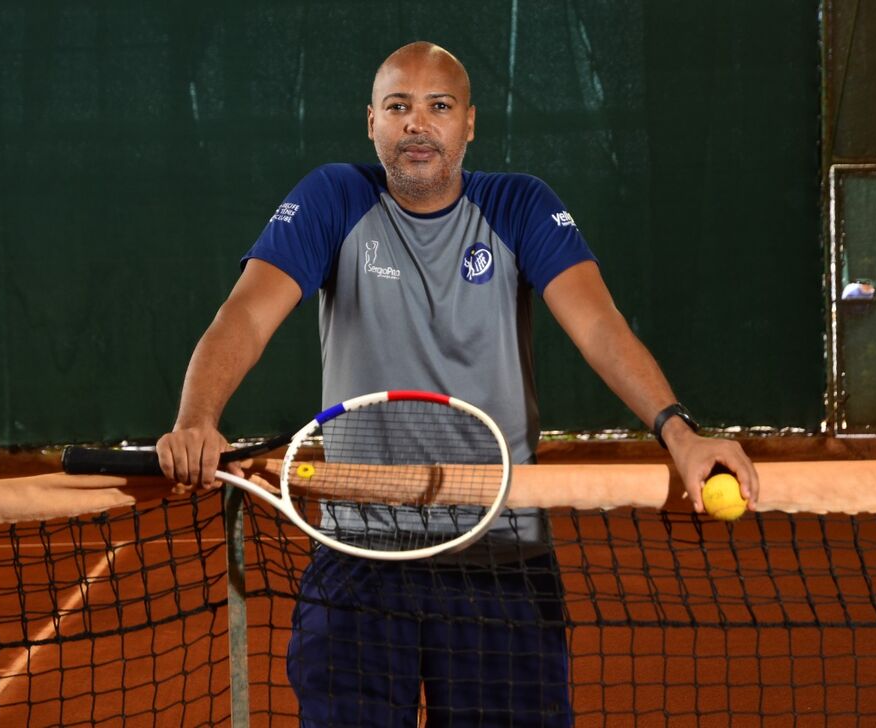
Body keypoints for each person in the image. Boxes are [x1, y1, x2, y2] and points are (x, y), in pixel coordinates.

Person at [157, 41, 759, 727]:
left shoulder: (520, 204)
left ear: (468, 123)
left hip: (500, 560)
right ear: (372, 123)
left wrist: (677, 432)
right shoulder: (334, 197)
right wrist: (198, 416)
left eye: (438, 107)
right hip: (361, 555)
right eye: (399, 107)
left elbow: (600, 328)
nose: (418, 124)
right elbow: (246, 314)